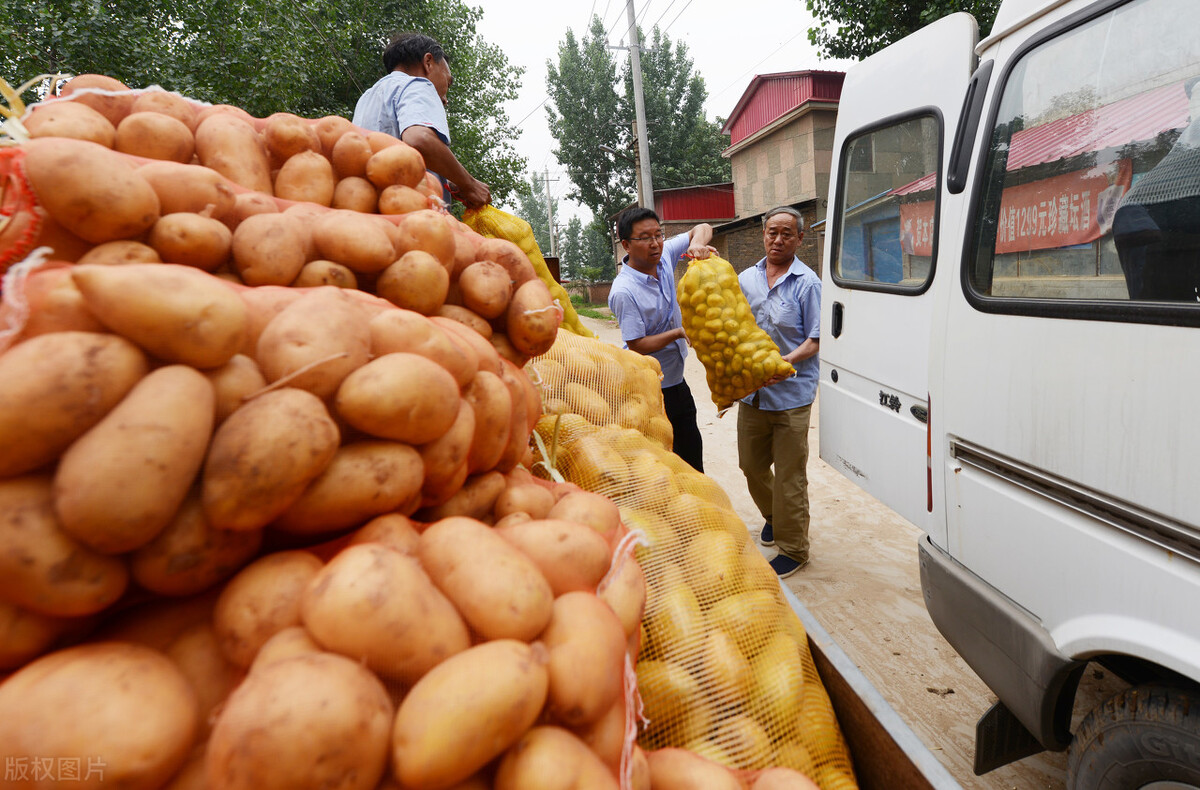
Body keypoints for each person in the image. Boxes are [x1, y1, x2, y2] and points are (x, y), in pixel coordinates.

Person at [736, 206, 821, 578]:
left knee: (790, 475)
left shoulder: (808, 283)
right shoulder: (745, 279)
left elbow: (816, 339)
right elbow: (732, 325)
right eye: (772, 232)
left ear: (800, 239)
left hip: (791, 395)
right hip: (753, 393)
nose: (778, 239)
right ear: (763, 234)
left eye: (787, 233)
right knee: (751, 465)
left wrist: (783, 362)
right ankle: (774, 515)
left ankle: (795, 548)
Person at [608, 207, 714, 473]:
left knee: (691, 457)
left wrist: (698, 243)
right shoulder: (624, 291)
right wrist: (679, 332)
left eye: (659, 234)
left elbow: (702, 226)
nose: (655, 243)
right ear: (626, 245)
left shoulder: (665, 257)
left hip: (676, 382)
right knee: (659, 464)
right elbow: (637, 345)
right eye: (645, 237)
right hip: (646, 389)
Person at [352, 32, 491, 209]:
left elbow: (395, 152)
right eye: (447, 83)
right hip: (405, 214)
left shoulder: (367, 97)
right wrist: (469, 184)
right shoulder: (417, 84)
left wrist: (449, 180)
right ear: (428, 63)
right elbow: (419, 139)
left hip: (365, 206)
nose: (445, 99)